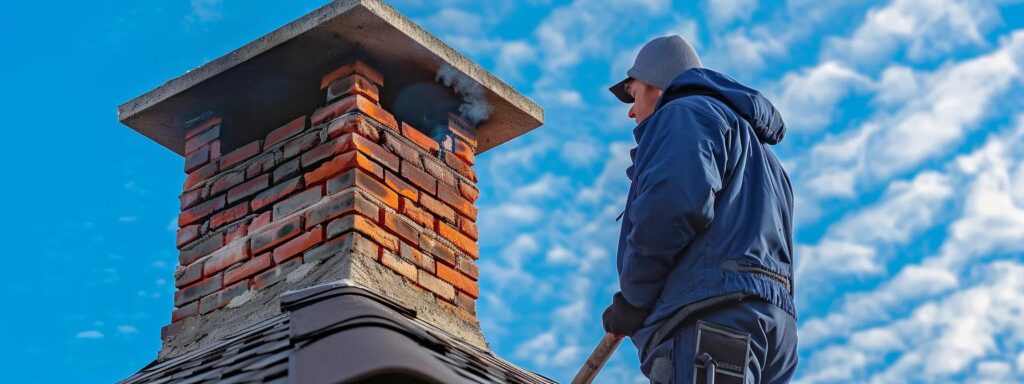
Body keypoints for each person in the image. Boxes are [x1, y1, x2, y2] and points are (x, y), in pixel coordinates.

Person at [601, 35, 798, 384]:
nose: (631, 110)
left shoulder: (685, 113)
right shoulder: (765, 159)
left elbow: (672, 206)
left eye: (633, 94)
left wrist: (633, 299)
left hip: (709, 320)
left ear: (657, 83)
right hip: (770, 331)